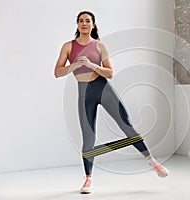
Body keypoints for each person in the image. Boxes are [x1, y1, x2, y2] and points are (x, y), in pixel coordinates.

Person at [54, 11, 169, 194]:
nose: (84, 24)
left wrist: (91, 66)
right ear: (77, 25)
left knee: (127, 125)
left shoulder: (99, 46)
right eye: (81, 21)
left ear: (93, 25)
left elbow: (110, 73)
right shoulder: (68, 47)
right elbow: (58, 72)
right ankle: (88, 179)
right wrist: (74, 65)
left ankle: (152, 161)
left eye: (88, 21)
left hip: (103, 89)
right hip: (84, 93)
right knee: (88, 136)